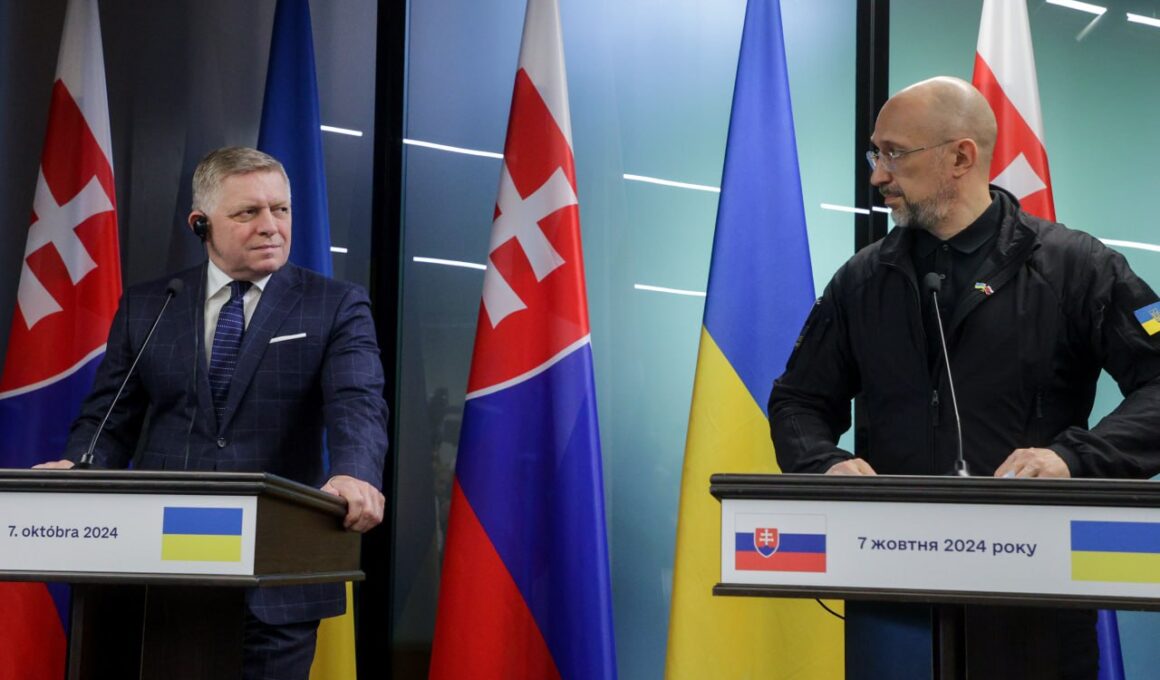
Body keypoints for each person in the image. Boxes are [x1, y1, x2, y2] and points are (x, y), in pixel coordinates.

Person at [768, 77, 1160, 678]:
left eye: (894, 153)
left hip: (1033, 599)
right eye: (876, 153)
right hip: (891, 592)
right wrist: (822, 464)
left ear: (960, 157)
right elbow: (797, 399)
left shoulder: (1076, 266)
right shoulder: (861, 280)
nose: (877, 174)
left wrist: (1075, 458)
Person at [37, 146, 389, 680]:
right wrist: (78, 467)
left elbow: (358, 402)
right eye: (248, 213)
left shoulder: (334, 305)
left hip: (274, 573)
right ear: (200, 224)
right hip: (157, 571)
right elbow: (110, 415)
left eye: (281, 209)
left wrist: (354, 473)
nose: (271, 226)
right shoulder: (149, 305)